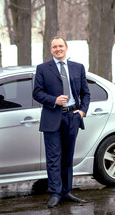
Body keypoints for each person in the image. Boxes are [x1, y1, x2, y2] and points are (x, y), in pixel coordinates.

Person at [33, 36, 90, 208]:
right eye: (54, 47)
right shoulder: (43, 69)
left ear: (66, 47)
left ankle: (66, 191)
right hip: (52, 118)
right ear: (51, 50)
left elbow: (85, 93)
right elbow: (37, 93)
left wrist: (82, 112)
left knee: (67, 157)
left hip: (72, 117)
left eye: (60, 46)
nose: (58, 49)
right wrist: (54, 100)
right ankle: (55, 193)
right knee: (53, 158)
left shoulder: (78, 68)